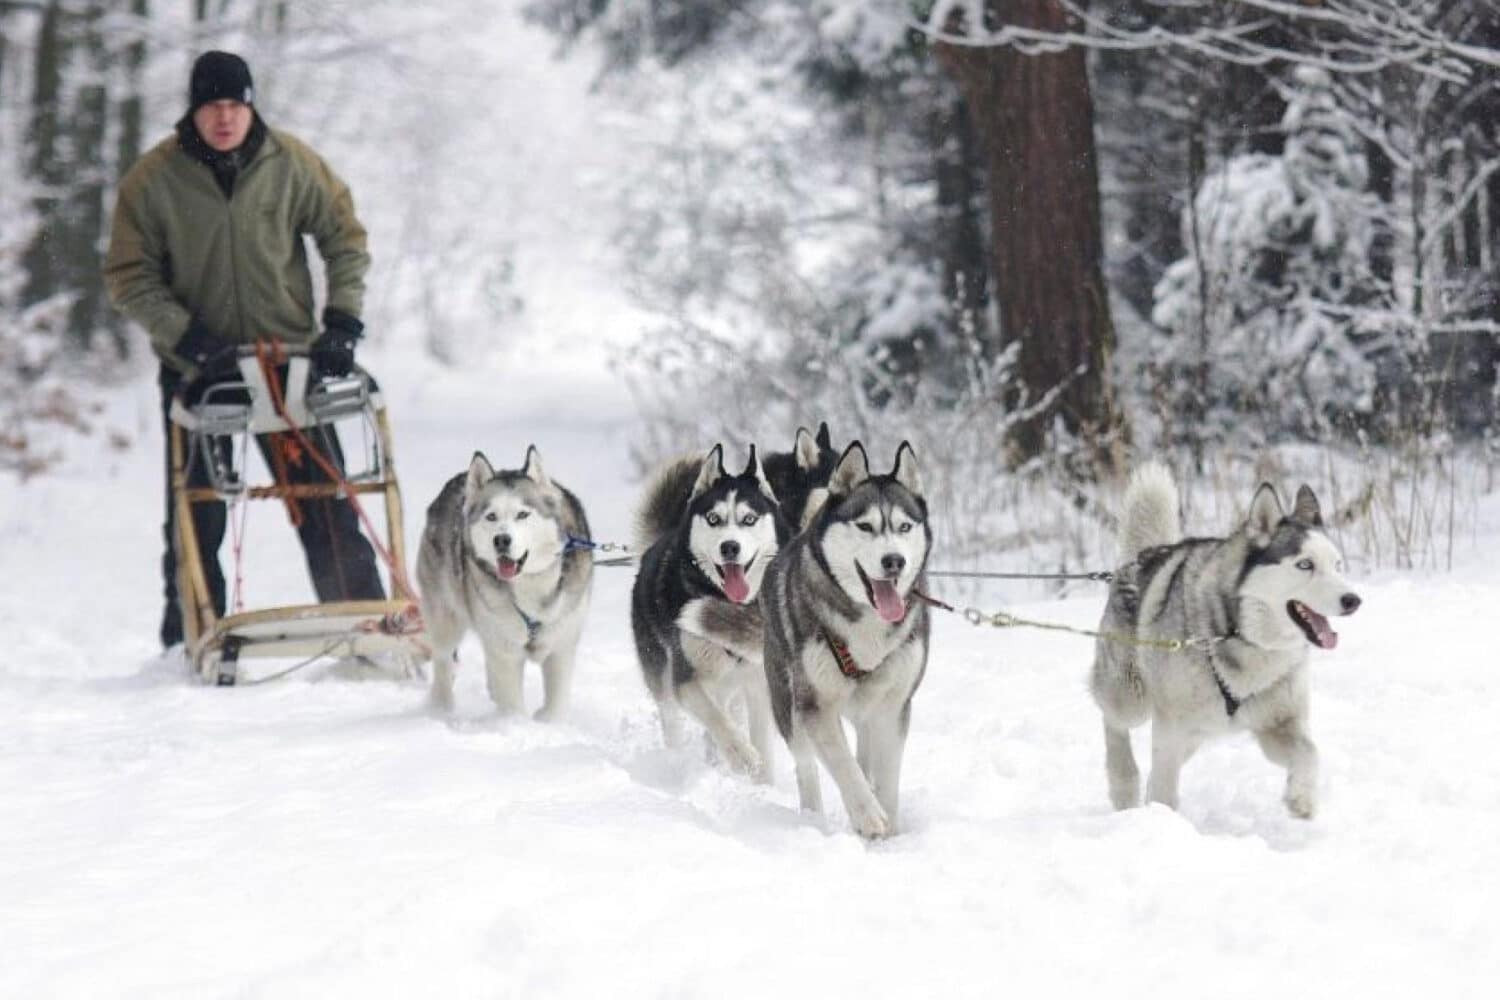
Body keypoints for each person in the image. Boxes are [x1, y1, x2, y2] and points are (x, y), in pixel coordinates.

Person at [105, 50, 385, 649]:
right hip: (199, 372)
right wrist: (186, 337)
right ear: (194, 110)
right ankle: (191, 639)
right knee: (196, 509)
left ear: (250, 105)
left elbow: (345, 237)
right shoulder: (154, 179)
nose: (225, 118)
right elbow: (130, 275)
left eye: (235, 104)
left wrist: (342, 320)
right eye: (212, 106)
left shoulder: (291, 164)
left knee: (323, 501)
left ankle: (363, 623)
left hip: (287, 364)